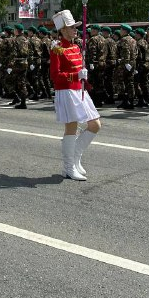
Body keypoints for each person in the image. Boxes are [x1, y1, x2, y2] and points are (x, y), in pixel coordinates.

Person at [50, 10, 101, 182]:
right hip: (66, 92)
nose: (75, 30)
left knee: (95, 124)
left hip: (79, 90)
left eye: (75, 27)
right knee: (71, 128)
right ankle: (68, 167)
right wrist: (75, 75)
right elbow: (55, 76)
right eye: (72, 27)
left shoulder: (76, 46)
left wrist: (83, 75)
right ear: (63, 30)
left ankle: (76, 156)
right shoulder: (56, 49)